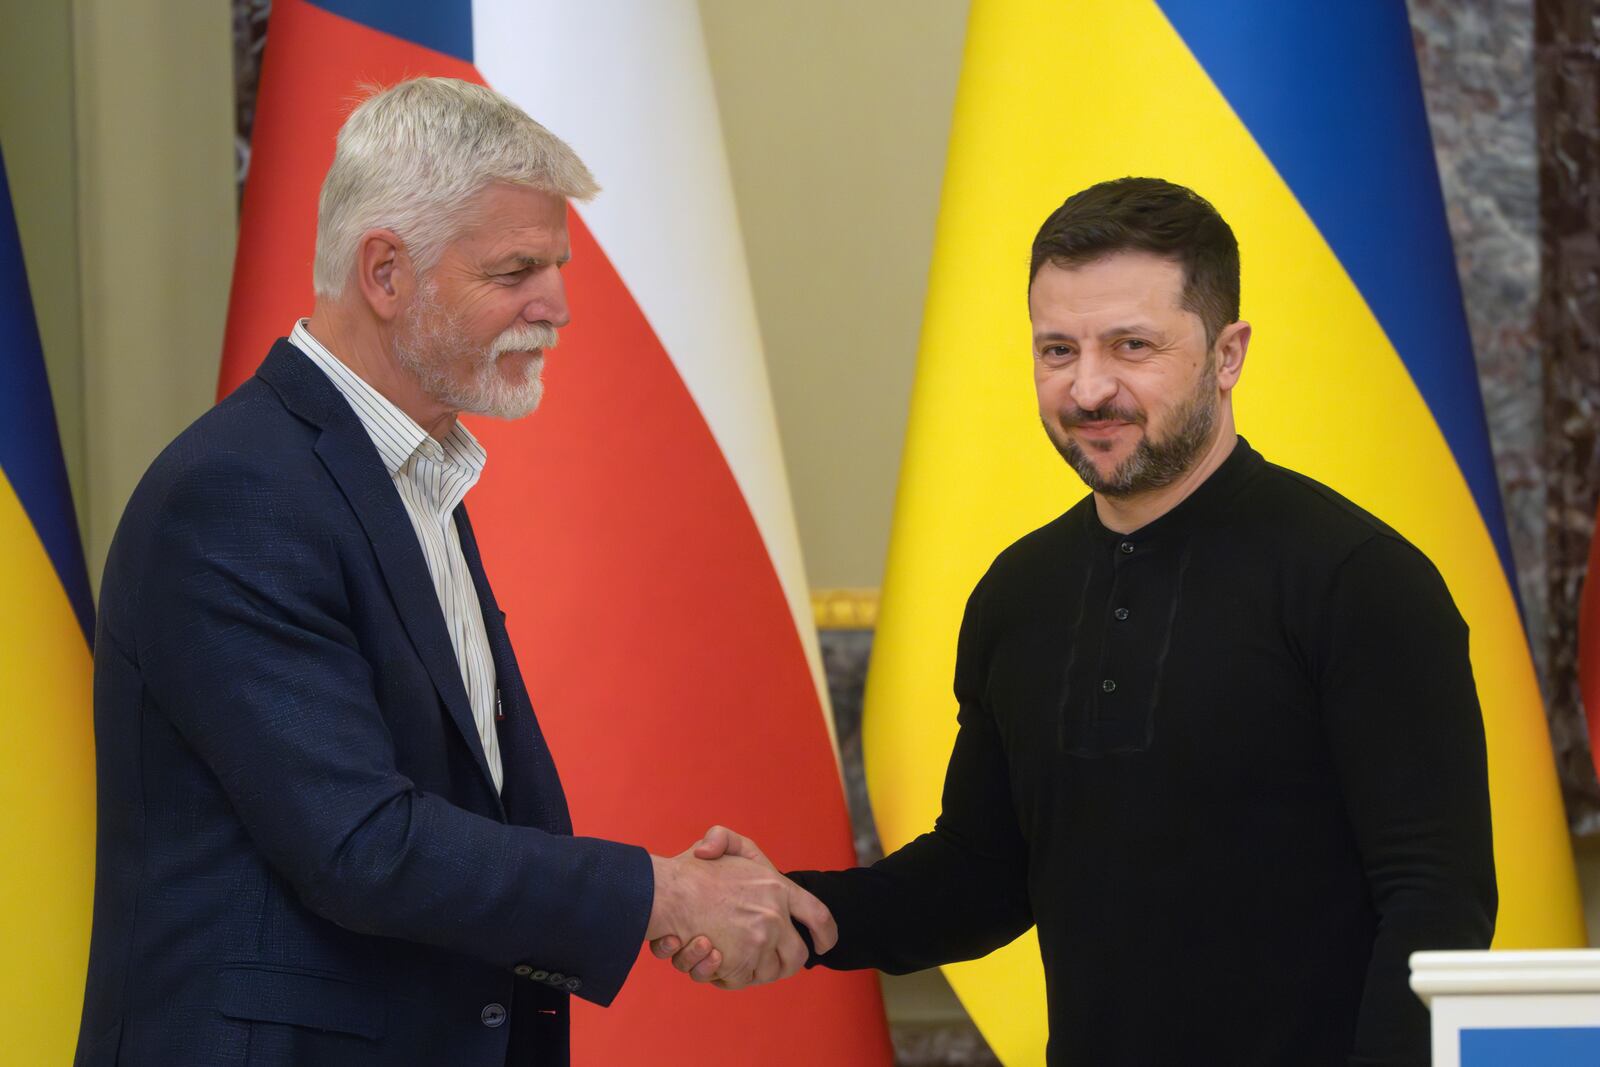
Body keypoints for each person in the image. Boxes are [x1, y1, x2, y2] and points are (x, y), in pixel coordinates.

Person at [74, 76, 829, 1067]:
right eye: (516, 269)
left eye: (554, 264)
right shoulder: (237, 495)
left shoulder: (407, 471)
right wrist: (660, 891)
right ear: (384, 272)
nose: (556, 306)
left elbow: (467, 808)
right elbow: (360, 844)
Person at [656, 177, 1497, 1065]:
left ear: (1229, 352)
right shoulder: (1018, 594)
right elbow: (983, 874)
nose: (1089, 387)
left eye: (1131, 346)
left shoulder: (1361, 578)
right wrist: (795, 907)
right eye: (1058, 349)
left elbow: (1435, 900)